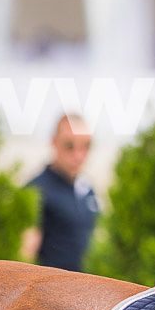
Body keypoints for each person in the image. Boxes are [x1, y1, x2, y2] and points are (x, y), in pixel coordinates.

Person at [22, 114, 99, 271]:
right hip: (49, 283)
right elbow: (25, 255)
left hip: (85, 282)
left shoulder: (87, 190)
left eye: (86, 146)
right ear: (54, 142)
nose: (78, 155)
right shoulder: (36, 190)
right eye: (69, 146)